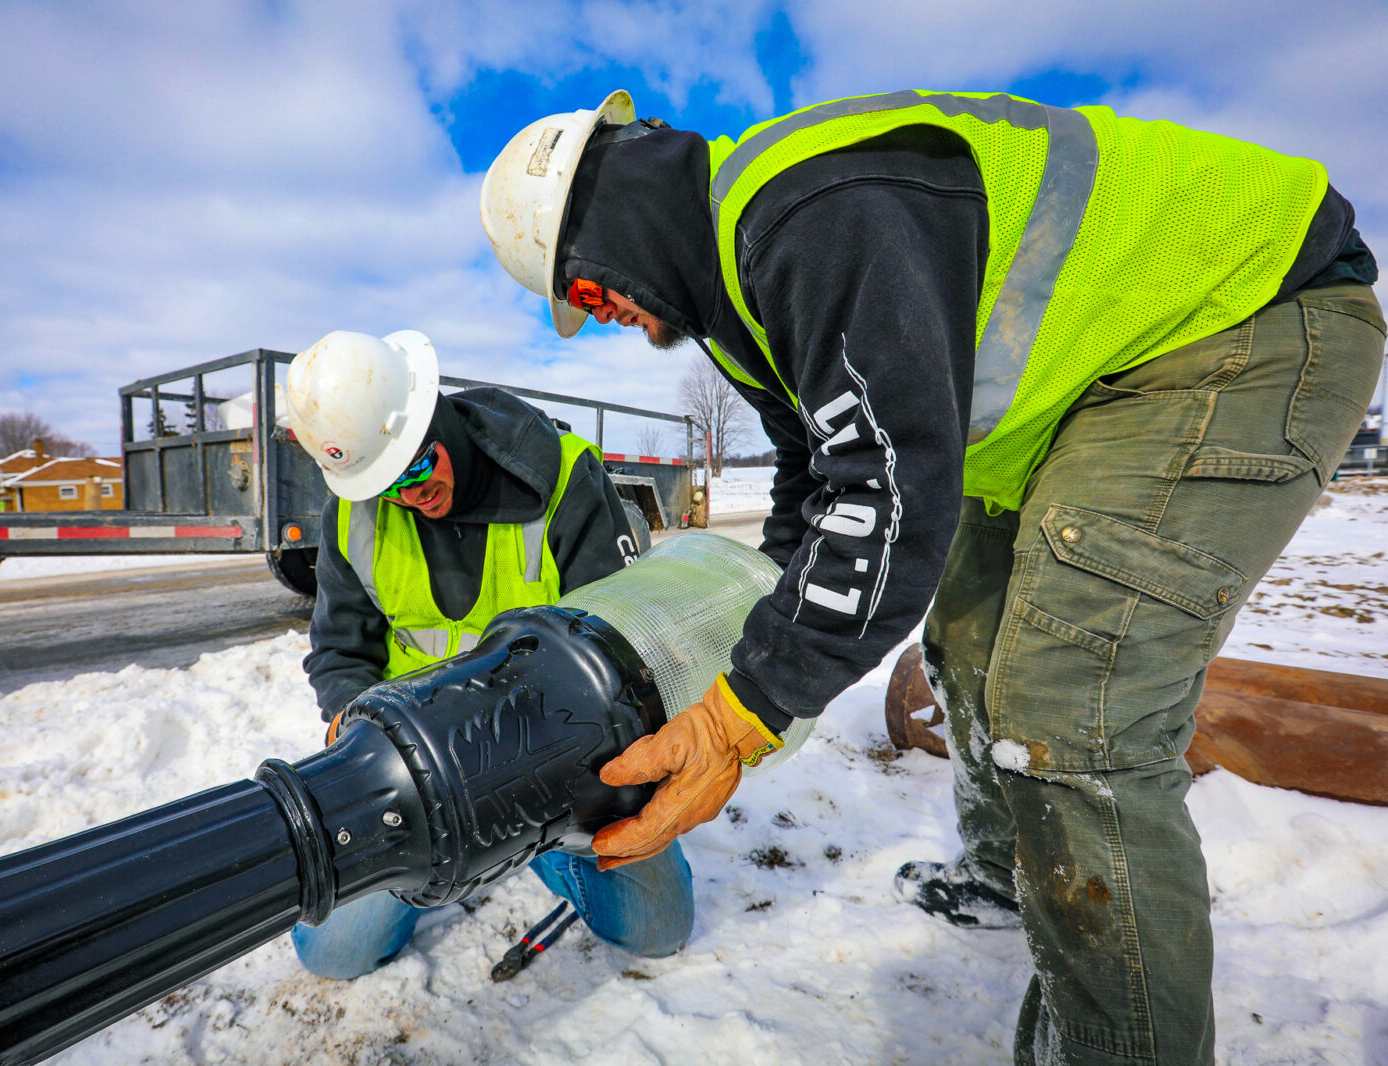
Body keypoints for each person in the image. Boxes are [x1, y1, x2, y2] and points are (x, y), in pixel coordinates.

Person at [480, 90, 1383, 1064]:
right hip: (1075, 404)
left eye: (583, 295)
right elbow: (815, 483)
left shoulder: (797, 211)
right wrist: (737, 644)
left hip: (1232, 327)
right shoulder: (741, 296)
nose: (606, 319)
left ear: (611, 221)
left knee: (1069, 709)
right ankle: (1009, 868)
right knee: (966, 632)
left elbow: (885, 495)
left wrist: (741, 716)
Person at [284, 327, 693, 980]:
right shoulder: (352, 517)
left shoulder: (562, 479)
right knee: (331, 952)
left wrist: (563, 796)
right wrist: (351, 732)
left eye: (417, 466)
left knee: (657, 929)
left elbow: (628, 647)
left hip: (562, 774)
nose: (410, 494)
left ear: (435, 415)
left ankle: (542, 857)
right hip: (420, 785)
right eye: (386, 485)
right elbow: (340, 653)